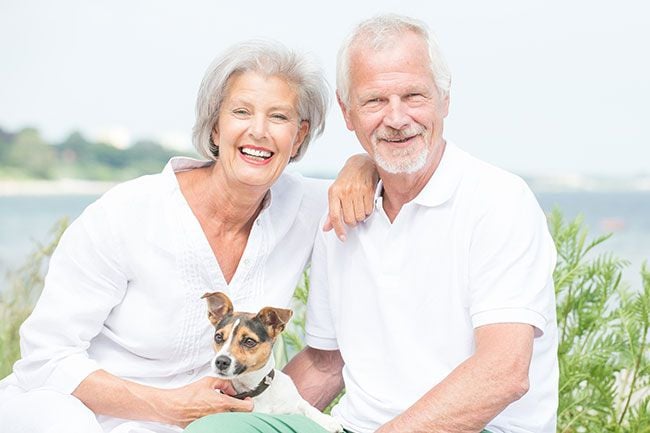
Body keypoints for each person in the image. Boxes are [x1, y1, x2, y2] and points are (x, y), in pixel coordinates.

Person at [0, 39, 377, 433]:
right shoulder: (126, 214)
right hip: (71, 413)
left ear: (298, 137)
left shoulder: (307, 208)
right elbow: (45, 356)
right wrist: (168, 407)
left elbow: (387, 178)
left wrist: (360, 164)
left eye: (279, 117)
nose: (259, 131)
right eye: (241, 112)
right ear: (215, 124)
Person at [283, 14, 559, 433]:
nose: (396, 118)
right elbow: (326, 364)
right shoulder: (340, 212)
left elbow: (504, 371)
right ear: (347, 111)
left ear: (444, 99)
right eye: (374, 101)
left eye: (413, 96)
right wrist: (251, 411)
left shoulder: (498, 201)